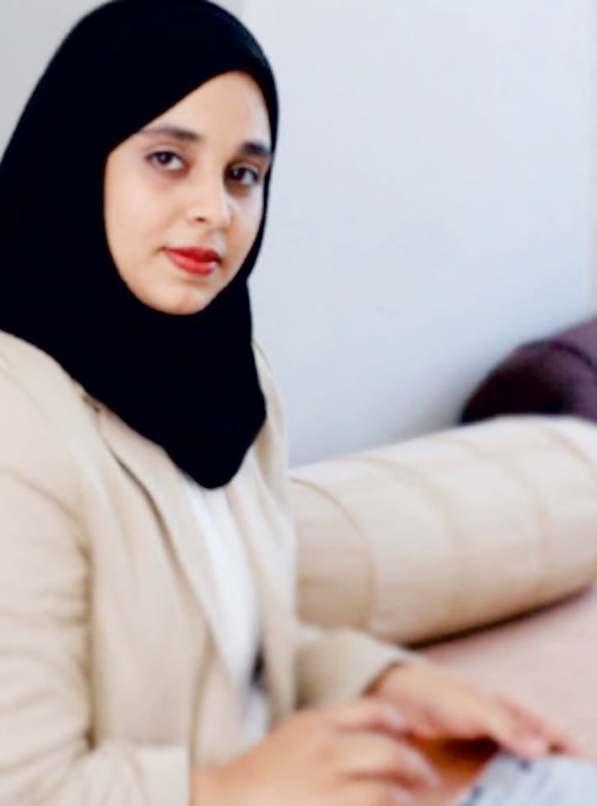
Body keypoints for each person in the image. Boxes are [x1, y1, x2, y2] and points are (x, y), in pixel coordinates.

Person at [0, 1, 580, 803]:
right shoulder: (19, 424)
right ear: (77, 157)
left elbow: (240, 648)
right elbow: (24, 785)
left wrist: (391, 685)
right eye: (168, 158)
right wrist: (230, 789)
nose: (215, 210)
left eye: (243, 174)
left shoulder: (229, 377)